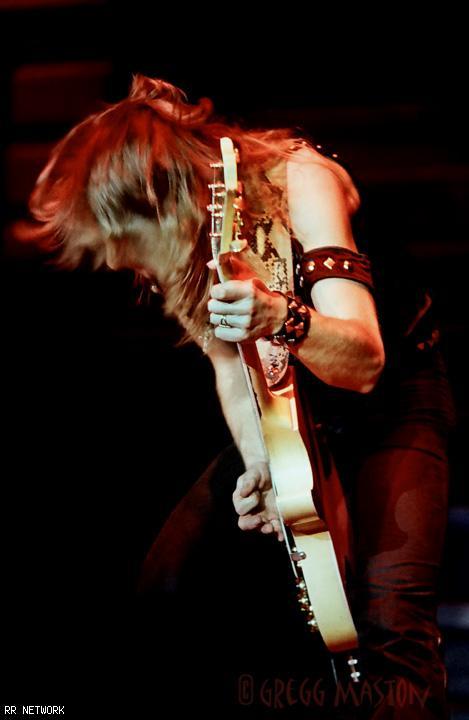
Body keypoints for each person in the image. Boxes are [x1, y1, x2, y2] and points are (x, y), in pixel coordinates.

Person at [24, 74, 455, 718]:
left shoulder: (299, 181)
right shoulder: (189, 239)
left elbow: (364, 362)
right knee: (167, 583)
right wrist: (264, 465)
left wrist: (279, 315)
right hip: (295, 406)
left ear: (158, 201)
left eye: (120, 242)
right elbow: (229, 366)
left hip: (393, 400)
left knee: (389, 627)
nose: (116, 264)